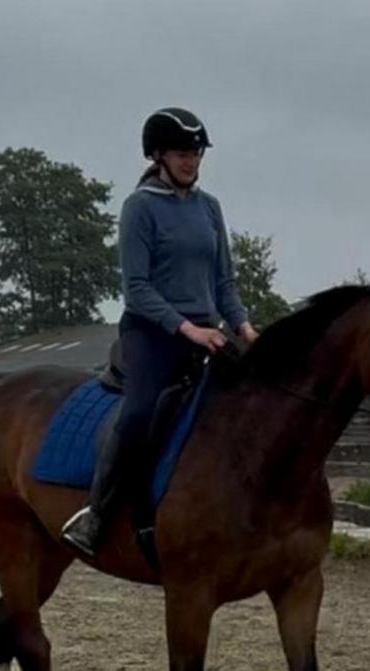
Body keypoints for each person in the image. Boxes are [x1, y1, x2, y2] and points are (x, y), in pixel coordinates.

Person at [61, 107, 259, 558]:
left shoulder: (210, 208)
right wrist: (188, 329)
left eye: (196, 153)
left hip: (209, 332)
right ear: (158, 155)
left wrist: (245, 328)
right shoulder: (140, 208)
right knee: (139, 413)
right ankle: (97, 514)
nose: (191, 161)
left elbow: (224, 281)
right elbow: (137, 289)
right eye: (181, 153)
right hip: (152, 334)